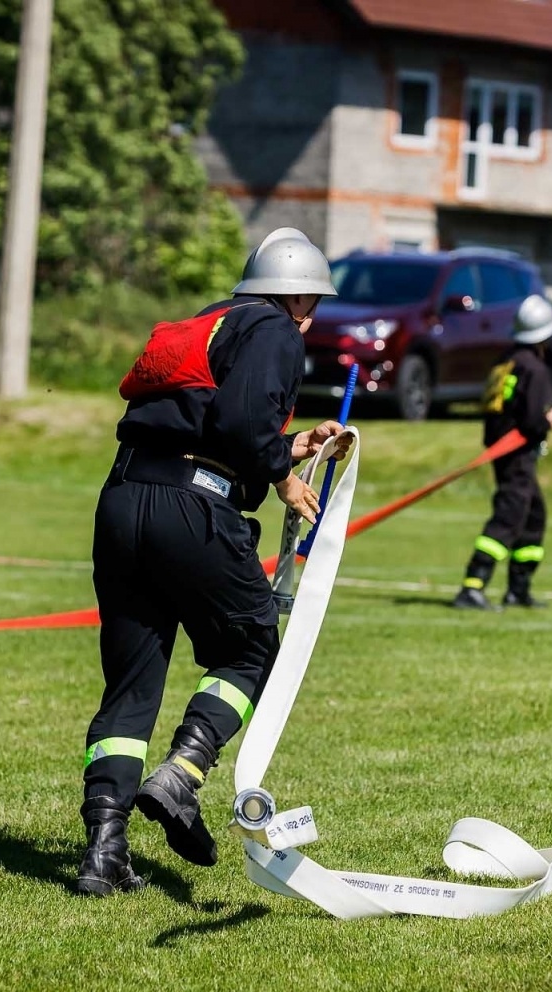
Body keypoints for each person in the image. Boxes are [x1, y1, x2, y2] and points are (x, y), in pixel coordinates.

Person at [76, 231, 350, 896]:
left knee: (132, 683)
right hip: (191, 510)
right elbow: (235, 427)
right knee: (253, 646)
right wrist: (285, 472)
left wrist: (286, 446)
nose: (310, 317)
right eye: (310, 301)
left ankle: (103, 852)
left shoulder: (209, 322)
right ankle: (182, 774)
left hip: (123, 501)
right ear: (295, 295)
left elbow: (208, 423)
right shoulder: (276, 330)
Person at [452, 293, 552, 611]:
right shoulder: (534, 369)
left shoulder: (507, 359)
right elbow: (534, 419)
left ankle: (518, 589)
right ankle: (473, 585)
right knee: (509, 516)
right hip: (517, 454)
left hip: (503, 450)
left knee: (533, 515)